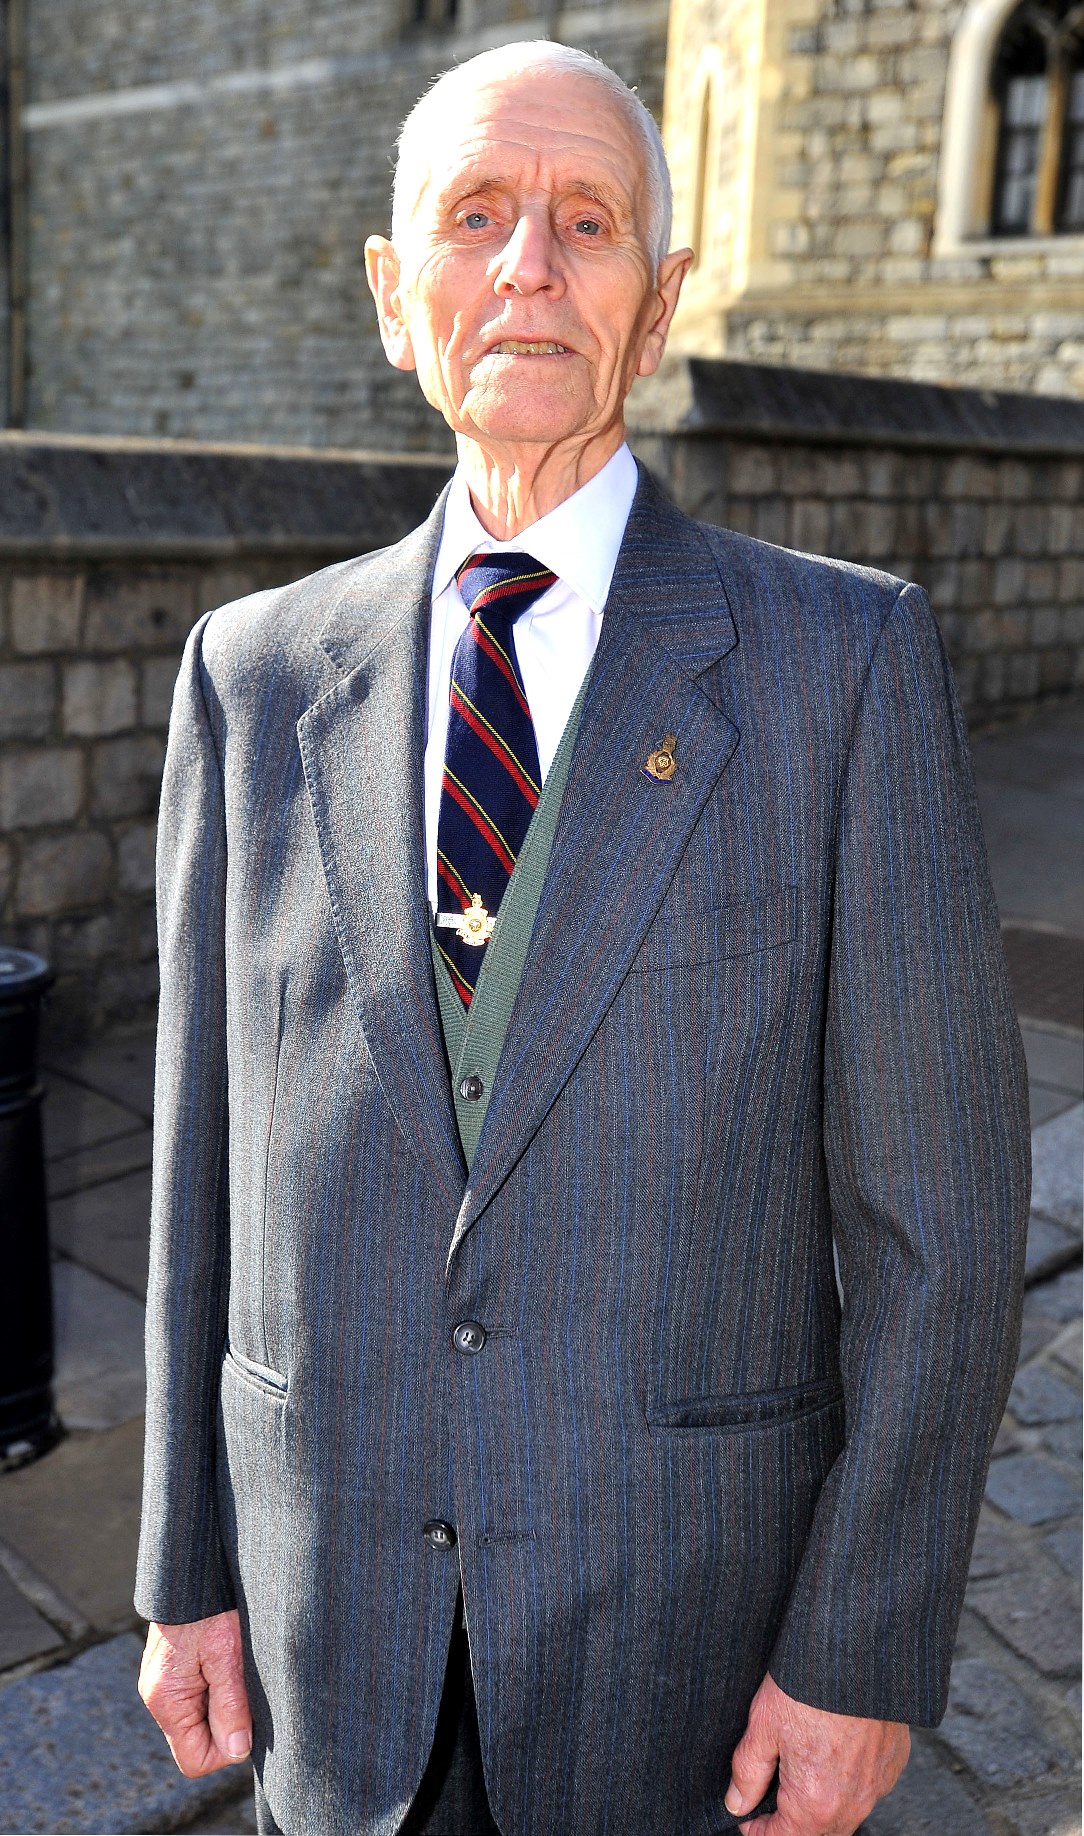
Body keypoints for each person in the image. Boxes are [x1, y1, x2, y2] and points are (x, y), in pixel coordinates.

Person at [135, 40, 1030, 1836]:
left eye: (588, 221)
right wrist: (183, 1564)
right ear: (399, 298)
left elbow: (944, 1226)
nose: (529, 263)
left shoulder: (840, 670)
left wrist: (861, 1649)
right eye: (476, 217)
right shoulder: (254, 675)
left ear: (662, 296)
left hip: (678, 1659)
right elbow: (197, 1174)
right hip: (332, 1646)